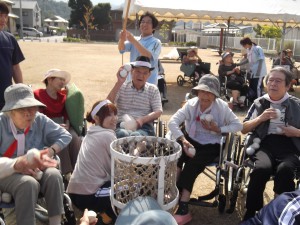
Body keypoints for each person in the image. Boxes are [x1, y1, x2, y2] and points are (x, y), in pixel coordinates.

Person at [168, 74, 242, 224]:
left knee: (192, 165)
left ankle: (183, 205)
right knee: (175, 157)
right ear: (197, 92)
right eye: (202, 91)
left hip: (211, 144)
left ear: (215, 95)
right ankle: (172, 193)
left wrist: (219, 129)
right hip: (190, 139)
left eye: (209, 92)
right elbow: (172, 122)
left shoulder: (221, 107)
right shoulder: (191, 104)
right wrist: (182, 140)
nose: (205, 95)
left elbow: (238, 125)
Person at [0, 83, 72, 225]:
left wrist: (50, 152)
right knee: (28, 183)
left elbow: (65, 135)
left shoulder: (39, 119)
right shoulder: (1, 123)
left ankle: (56, 222)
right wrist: (17, 164)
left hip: (36, 169)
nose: (28, 113)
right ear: (10, 111)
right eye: (21, 108)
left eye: (31, 107)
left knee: (54, 175)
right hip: (9, 172)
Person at [241, 67, 300, 221]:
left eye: (278, 81)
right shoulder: (260, 102)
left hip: (290, 145)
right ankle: (252, 211)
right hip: (264, 144)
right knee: (260, 169)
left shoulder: (297, 105)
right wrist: (260, 118)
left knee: (286, 170)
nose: (273, 84)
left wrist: (295, 132)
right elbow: (244, 128)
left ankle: (281, 211)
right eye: (270, 80)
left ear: (288, 86)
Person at [67, 99, 118, 224]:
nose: (114, 118)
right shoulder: (108, 135)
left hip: (75, 192)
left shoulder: (90, 133)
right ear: (96, 118)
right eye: (109, 115)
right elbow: (120, 167)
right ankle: (107, 219)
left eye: (115, 114)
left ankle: (105, 217)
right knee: (133, 187)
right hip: (90, 193)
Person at [34, 69, 82, 176]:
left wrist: (67, 123)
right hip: (46, 126)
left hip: (63, 124)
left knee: (75, 138)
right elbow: (38, 117)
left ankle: (79, 170)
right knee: (60, 139)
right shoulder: (37, 94)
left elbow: (66, 113)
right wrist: (55, 126)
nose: (63, 82)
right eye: (60, 79)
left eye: (63, 80)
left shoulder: (63, 96)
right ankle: (67, 173)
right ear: (50, 80)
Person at [107, 56, 162, 138]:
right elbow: (107, 103)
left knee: (136, 136)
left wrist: (142, 120)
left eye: (145, 73)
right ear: (132, 71)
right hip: (122, 125)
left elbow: (158, 111)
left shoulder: (152, 89)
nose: (141, 76)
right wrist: (119, 82)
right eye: (138, 71)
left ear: (149, 75)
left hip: (144, 127)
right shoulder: (122, 86)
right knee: (122, 134)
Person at [118, 11, 161, 85]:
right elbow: (121, 48)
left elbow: (147, 55)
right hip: (132, 81)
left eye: (148, 22)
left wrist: (133, 40)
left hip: (148, 83)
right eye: (143, 22)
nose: (144, 24)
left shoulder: (156, 42)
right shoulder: (135, 39)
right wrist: (121, 39)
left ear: (153, 27)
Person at [0, 2, 25, 110]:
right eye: (0, 15)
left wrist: (21, 91)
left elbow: (15, 67)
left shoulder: (10, 39)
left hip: (6, 97)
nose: (3, 20)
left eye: (5, 16)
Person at [239, 37, 267, 102]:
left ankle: (259, 101)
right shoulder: (248, 49)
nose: (243, 47)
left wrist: (258, 72)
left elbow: (261, 60)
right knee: (252, 86)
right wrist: (238, 64)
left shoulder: (258, 49)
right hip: (252, 72)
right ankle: (253, 100)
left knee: (257, 87)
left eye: (243, 45)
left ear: (246, 43)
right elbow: (248, 61)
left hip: (259, 72)